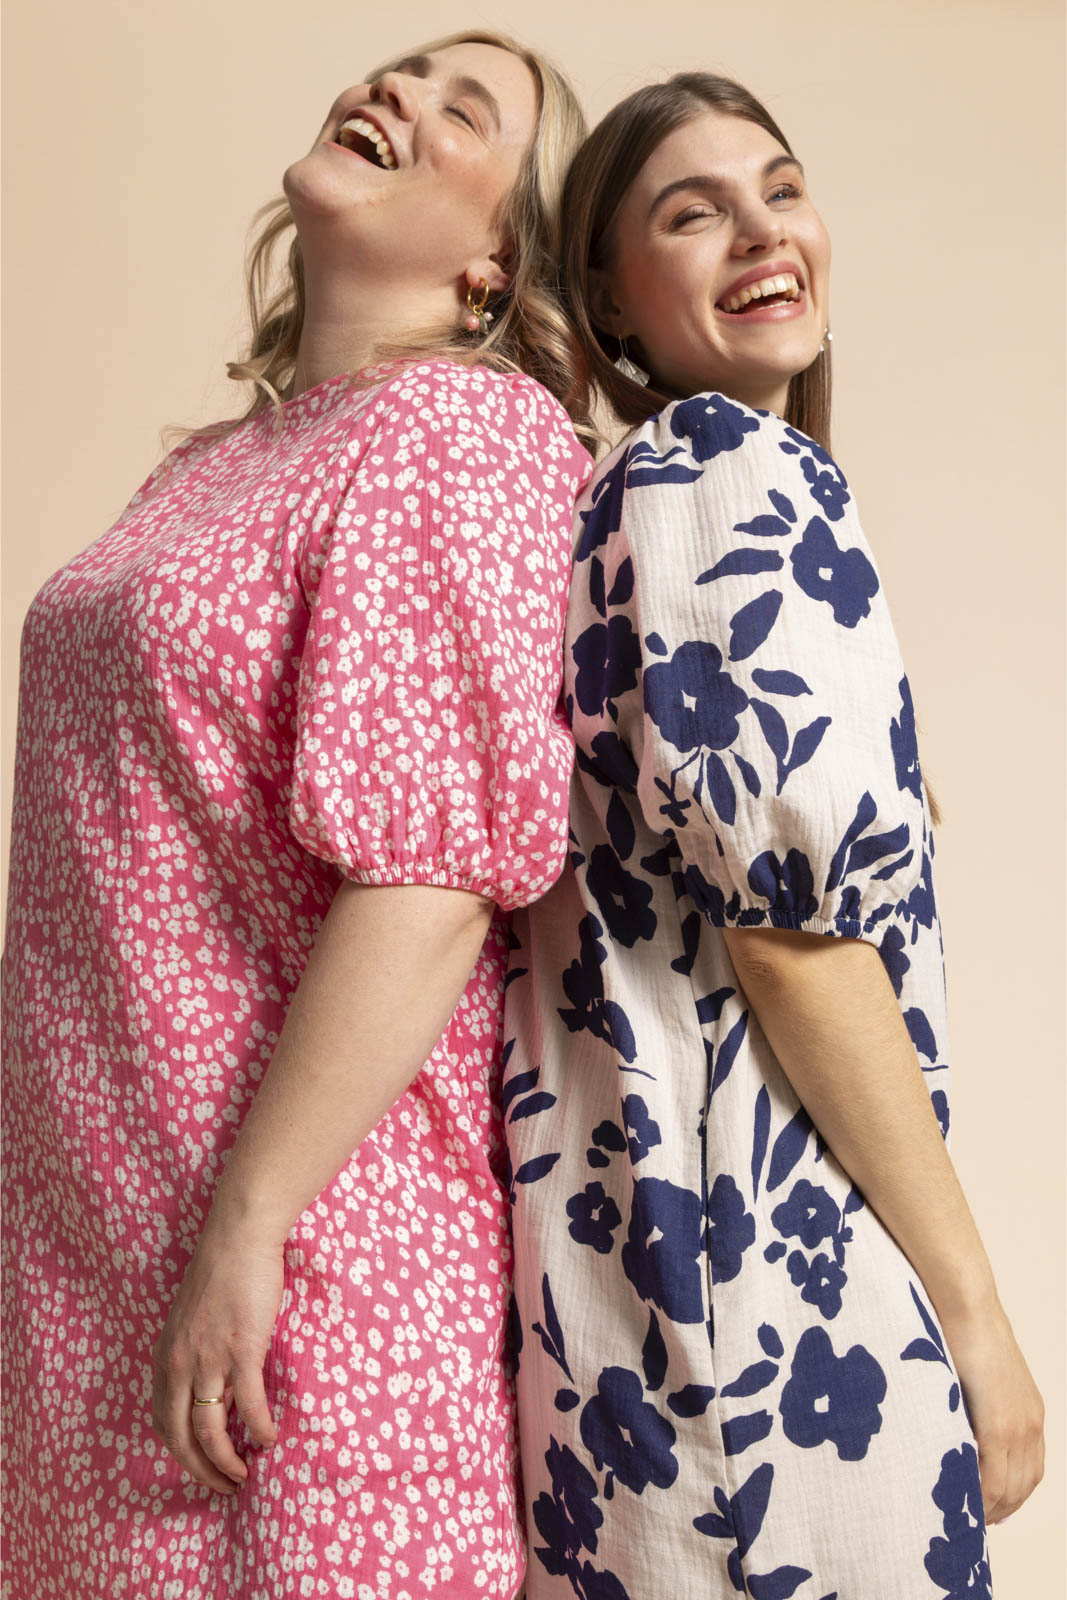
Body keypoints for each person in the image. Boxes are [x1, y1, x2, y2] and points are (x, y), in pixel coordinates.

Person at [2, 29, 593, 1600]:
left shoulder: (462, 433)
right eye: (402, 67)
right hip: (94, 1275)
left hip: (302, 1286)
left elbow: (434, 878)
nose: (398, 91)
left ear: (496, 263)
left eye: (464, 109)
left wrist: (249, 1225)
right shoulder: (210, 469)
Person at [502, 73, 1043, 1598]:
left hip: (638, 1328)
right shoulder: (726, 468)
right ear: (612, 292)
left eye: (782, 189)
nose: (761, 230)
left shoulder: (618, 502)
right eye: (695, 212)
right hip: (774, 1329)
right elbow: (796, 945)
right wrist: (977, 1316)